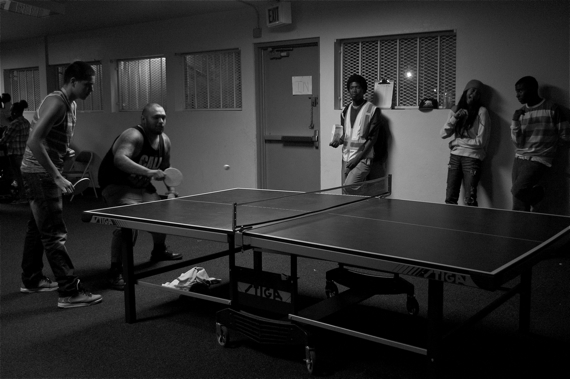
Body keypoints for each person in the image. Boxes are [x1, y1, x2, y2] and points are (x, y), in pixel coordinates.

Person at [19, 61, 102, 308]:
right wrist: (56, 175)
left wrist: (62, 152)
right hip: (40, 174)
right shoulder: (57, 103)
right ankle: (69, 291)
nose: (91, 90)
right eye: (88, 85)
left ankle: (31, 279)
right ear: (73, 82)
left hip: (38, 171)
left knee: (38, 228)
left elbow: (48, 138)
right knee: (54, 232)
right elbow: (34, 141)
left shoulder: (70, 104)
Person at [98, 103, 182, 291]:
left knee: (161, 214)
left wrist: (171, 191)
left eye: (163, 117)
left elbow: (167, 170)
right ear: (143, 119)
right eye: (156, 117)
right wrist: (149, 172)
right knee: (128, 224)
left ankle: (159, 250)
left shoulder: (164, 141)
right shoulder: (133, 135)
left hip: (141, 186)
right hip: (117, 185)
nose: (161, 121)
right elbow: (119, 159)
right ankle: (115, 270)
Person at [510, 76, 570, 212]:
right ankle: (519, 230)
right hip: (519, 158)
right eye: (516, 91)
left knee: (517, 189)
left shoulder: (552, 108)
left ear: (532, 89)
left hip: (538, 159)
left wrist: (548, 149)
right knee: (518, 202)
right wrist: (515, 121)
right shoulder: (521, 112)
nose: (517, 95)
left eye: (520, 91)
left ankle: (538, 195)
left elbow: (565, 135)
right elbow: (517, 142)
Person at [440, 80, 491, 206]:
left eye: (478, 93)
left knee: (470, 199)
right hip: (455, 157)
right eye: (472, 90)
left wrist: (457, 141)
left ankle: (470, 226)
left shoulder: (482, 112)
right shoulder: (455, 110)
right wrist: (455, 118)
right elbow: (443, 134)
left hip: (473, 158)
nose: (474, 94)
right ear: (466, 91)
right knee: (450, 198)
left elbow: (480, 142)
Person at [330, 74, 381, 194]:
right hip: (346, 158)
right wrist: (338, 141)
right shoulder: (346, 110)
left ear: (363, 90)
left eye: (357, 87)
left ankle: (366, 192)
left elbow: (373, 139)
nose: (354, 90)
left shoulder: (372, 110)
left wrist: (357, 159)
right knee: (345, 192)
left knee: (349, 186)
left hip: (362, 158)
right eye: (351, 87)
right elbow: (346, 135)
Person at [0, 100, 31, 203]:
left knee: (18, 178)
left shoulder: (14, 124)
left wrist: (4, 131)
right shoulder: (26, 122)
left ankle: (22, 198)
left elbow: (4, 140)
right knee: (22, 178)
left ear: (15, 112)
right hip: (23, 153)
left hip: (14, 154)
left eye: (11, 111)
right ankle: (25, 197)